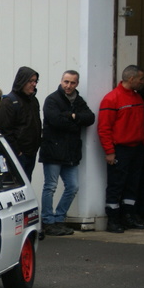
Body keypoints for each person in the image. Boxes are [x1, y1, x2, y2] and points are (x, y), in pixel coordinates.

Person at [38, 71, 95, 236]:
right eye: (66, 82)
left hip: (70, 152)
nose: (68, 86)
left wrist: (71, 116)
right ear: (61, 81)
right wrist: (76, 122)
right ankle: (48, 220)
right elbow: (55, 121)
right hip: (53, 150)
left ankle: (59, 218)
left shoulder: (78, 100)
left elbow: (90, 118)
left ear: (77, 84)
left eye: (72, 83)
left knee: (73, 186)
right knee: (50, 186)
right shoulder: (52, 99)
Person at [98, 65, 144, 233]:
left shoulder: (138, 97)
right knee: (116, 185)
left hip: (136, 148)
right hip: (121, 150)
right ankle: (113, 219)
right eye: (141, 79)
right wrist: (109, 151)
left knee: (133, 184)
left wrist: (143, 143)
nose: (143, 82)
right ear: (131, 79)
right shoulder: (112, 99)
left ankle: (128, 216)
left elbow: (140, 124)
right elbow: (104, 128)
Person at [0, 66, 42, 179]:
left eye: (35, 81)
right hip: (17, 155)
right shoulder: (9, 102)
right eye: (30, 81)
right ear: (22, 81)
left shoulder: (33, 101)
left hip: (31, 153)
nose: (34, 84)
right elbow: (5, 131)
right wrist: (18, 151)